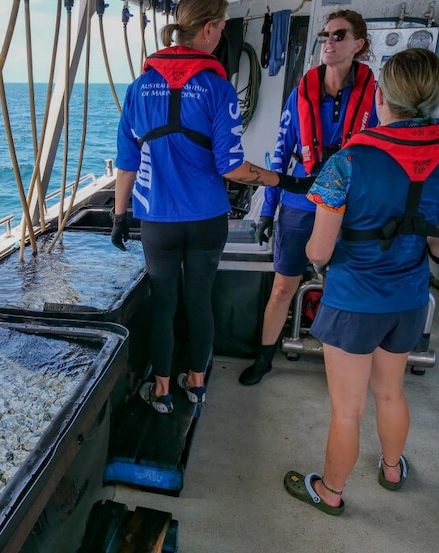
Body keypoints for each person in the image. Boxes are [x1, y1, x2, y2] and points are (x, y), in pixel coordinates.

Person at [110, 0, 312, 414]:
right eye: (221, 26)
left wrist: (118, 215)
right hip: (206, 220)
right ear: (206, 30)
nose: (221, 34)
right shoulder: (218, 88)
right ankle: (197, 384)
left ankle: (162, 389)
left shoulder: (137, 87)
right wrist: (285, 180)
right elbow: (233, 167)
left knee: (164, 303)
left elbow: (127, 163)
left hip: (158, 221)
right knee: (199, 299)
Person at [284, 47, 439, 515]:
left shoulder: (348, 161)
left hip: (353, 302)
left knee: (347, 410)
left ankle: (329, 492)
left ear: (382, 96)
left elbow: (318, 251)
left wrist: (317, 257)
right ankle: (393, 469)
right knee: (390, 391)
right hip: (409, 299)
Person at [239, 9, 378, 386]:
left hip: (351, 209)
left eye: (338, 35)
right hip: (299, 205)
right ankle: (264, 357)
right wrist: (267, 211)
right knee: (283, 285)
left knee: (344, 289)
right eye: (325, 36)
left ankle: (342, 366)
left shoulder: (376, 97)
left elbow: (382, 157)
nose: (328, 42)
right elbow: (280, 155)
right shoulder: (302, 92)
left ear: (358, 44)